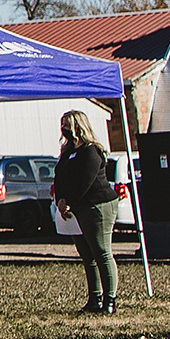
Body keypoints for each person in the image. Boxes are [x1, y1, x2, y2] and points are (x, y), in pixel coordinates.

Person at [53, 111, 121, 315]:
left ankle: (110, 300)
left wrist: (69, 202)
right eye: (62, 124)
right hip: (77, 208)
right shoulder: (68, 152)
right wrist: (60, 200)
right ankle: (94, 298)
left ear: (78, 126)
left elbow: (85, 181)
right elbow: (60, 177)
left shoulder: (92, 151)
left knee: (101, 251)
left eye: (67, 125)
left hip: (98, 205)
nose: (63, 129)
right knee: (87, 255)